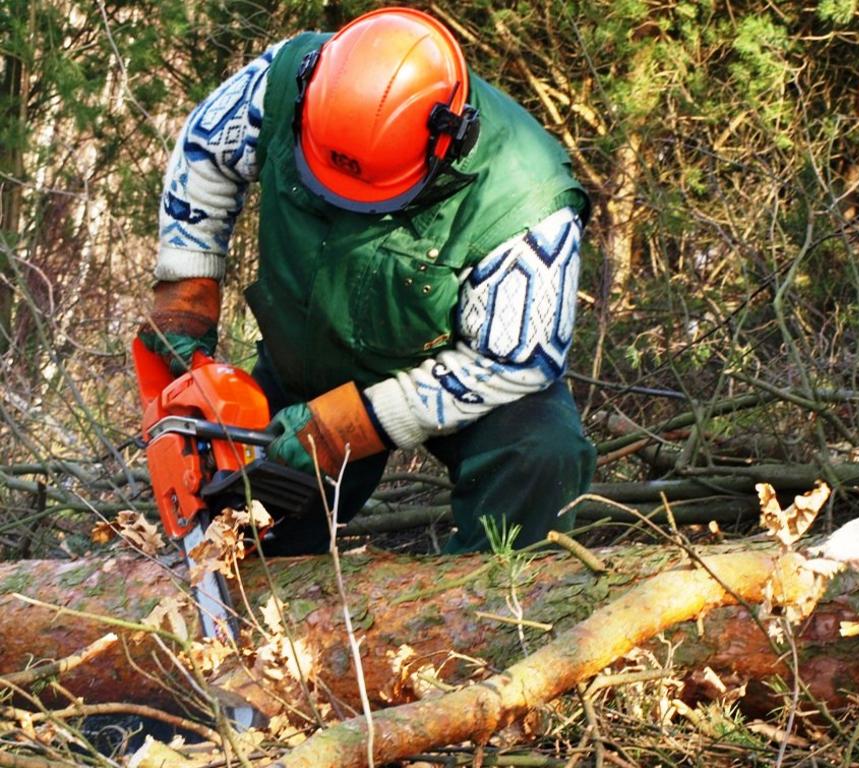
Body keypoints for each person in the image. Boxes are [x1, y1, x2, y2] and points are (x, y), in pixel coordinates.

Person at [137, 7, 595, 556]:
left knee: (541, 454)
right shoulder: (283, 84)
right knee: (241, 519)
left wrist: (348, 428)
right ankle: (260, 608)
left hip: (464, 367)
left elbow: (514, 362)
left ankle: (495, 615)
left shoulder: (527, 198)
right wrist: (186, 287)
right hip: (313, 353)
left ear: (447, 142)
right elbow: (206, 151)